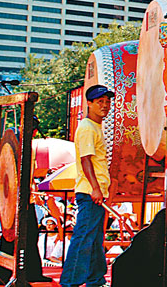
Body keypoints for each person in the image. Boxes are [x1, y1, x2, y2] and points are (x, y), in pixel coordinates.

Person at [59, 85, 113, 287]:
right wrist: (96, 188)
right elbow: (86, 160)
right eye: (100, 102)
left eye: (107, 102)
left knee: (95, 238)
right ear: (89, 103)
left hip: (95, 192)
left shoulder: (95, 127)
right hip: (90, 192)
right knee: (83, 238)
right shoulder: (87, 127)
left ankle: (95, 279)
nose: (105, 105)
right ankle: (70, 282)